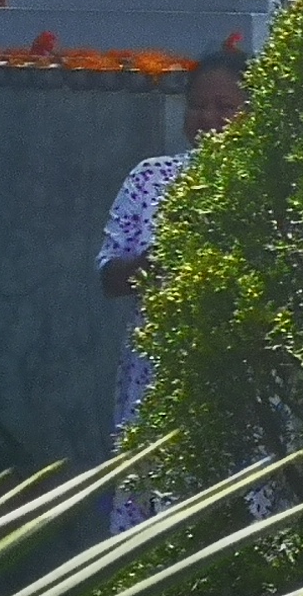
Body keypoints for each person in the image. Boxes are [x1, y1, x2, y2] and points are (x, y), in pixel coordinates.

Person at [98, 50, 249, 529]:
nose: (208, 118)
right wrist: (166, 256)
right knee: (155, 508)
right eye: (198, 106)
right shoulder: (151, 178)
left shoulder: (278, 186)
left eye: (225, 107)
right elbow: (110, 277)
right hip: (158, 373)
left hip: (247, 374)